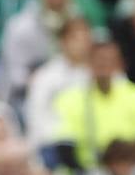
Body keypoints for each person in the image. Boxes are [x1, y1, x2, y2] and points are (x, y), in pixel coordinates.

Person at [53, 39, 135, 171]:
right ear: (88, 63)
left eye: (110, 59)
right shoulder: (69, 99)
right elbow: (65, 145)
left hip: (130, 170)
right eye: (98, 59)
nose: (104, 64)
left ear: (120, 64)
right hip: (87, 172)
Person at [24, 15, 92, 152]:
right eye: (75, 38)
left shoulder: (103, 73)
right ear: (62, 41)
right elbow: (36, 116)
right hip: (55, 144)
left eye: (85, 38)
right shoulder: (46, 76)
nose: (81, 43)